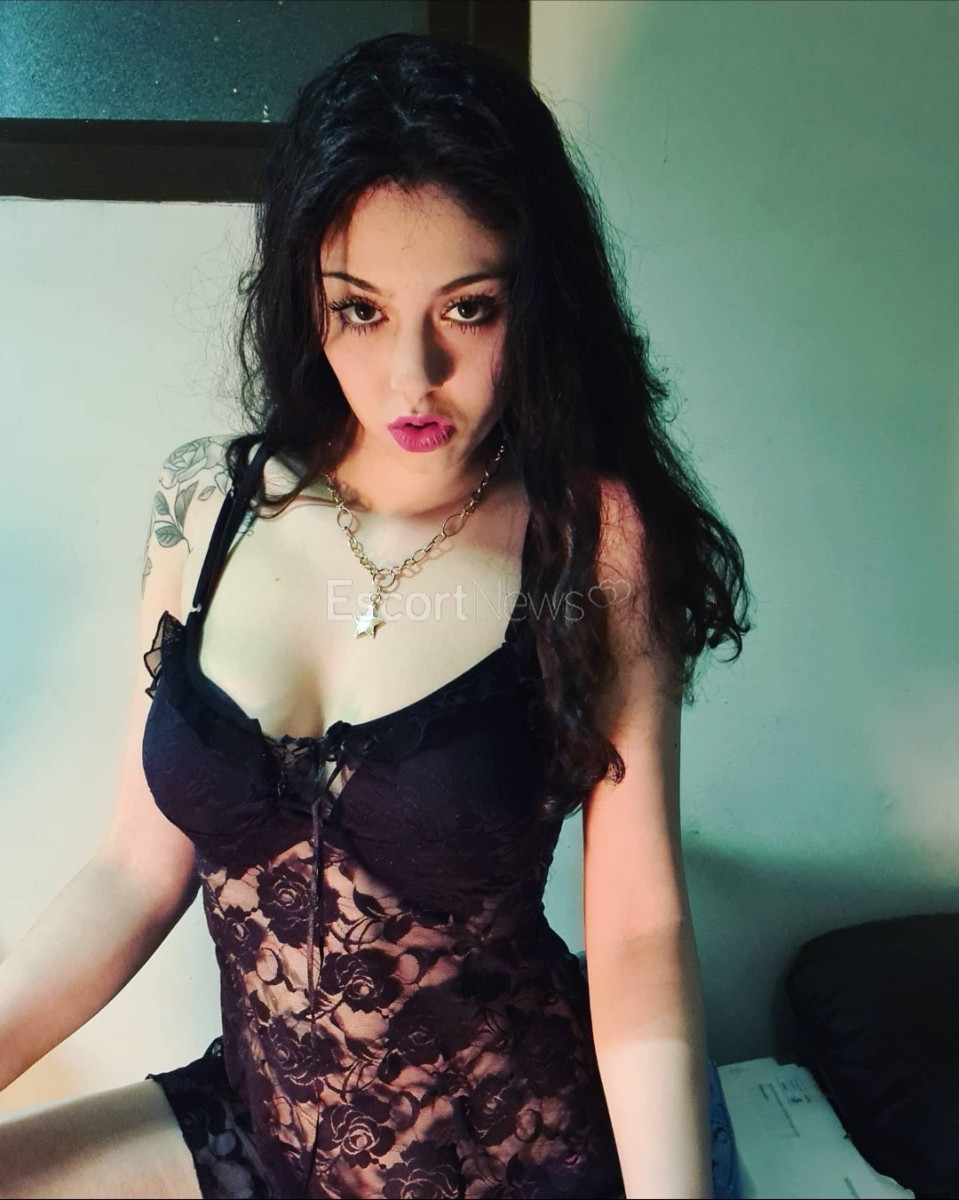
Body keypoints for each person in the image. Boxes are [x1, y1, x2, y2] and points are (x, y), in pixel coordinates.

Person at [0, 31, 751, 1200]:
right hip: (258, 1126)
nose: (412, 375)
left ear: (535, 302)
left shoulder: (590, 539)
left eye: (469, 308)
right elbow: (132, 872)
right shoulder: (206, 507)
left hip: (499, 1153)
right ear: (307, 298)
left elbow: (636, 930)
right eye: (360, 310)